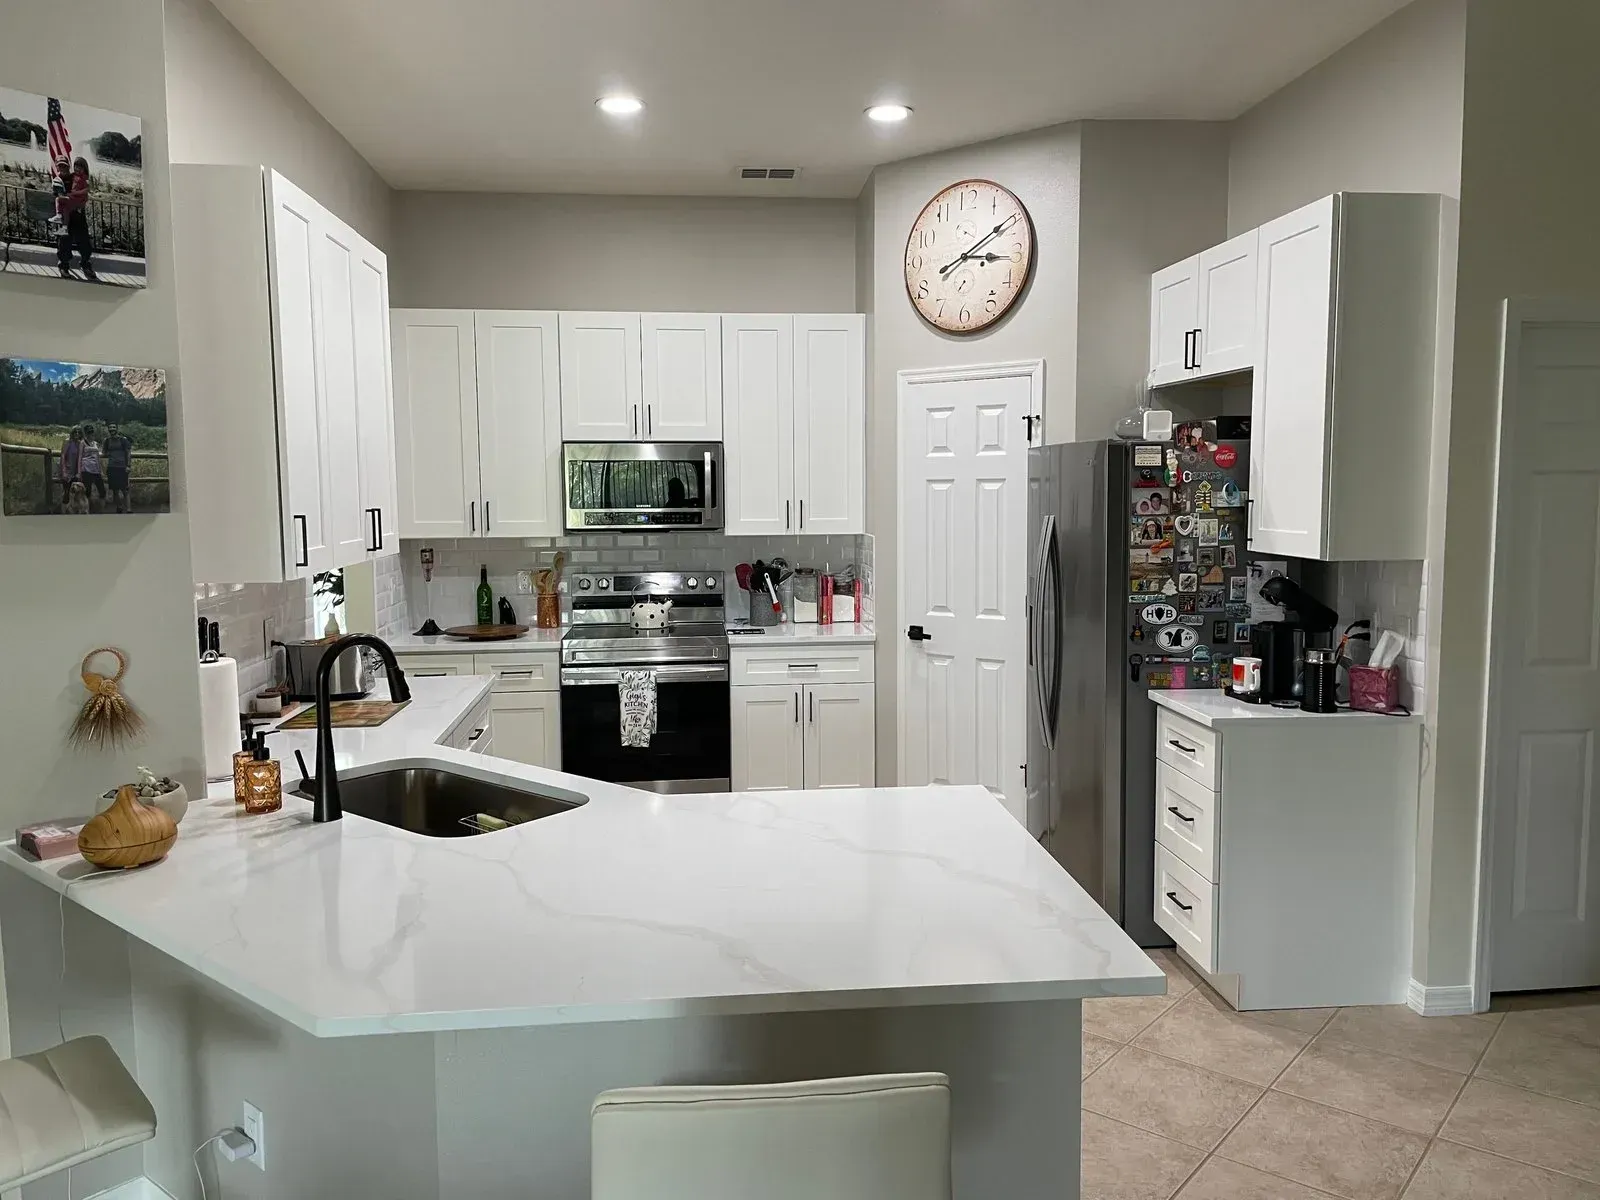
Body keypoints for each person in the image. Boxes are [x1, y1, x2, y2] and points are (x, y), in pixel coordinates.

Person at [54, 156, 97, 282]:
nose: (63, 168)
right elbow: (58, 195)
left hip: (78, 214)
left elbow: (85, 193)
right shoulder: (60, 179)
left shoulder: (79, 179)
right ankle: (63, 265)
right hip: (65, 216)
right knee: (64, 240)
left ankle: (85, 263)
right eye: (60, 166)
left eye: (65, 166)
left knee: (84, 240)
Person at [103, 423, 133, 513]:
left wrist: (128, 466)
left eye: (113, 427)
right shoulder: (107, 441)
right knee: (115, 489)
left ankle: (129, 509)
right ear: (108, 429)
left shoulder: (123, 440)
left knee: (125, 489)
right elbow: (104, 451)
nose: (112, 429)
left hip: (122, 467)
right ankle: (119, 507)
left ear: (117, 429)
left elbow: (128, 453)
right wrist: (108, 453)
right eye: (110, 427)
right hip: (112, 467)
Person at [78, 425, 105, 511]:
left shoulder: (96, 443)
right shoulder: (82, 443)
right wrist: (79, 471)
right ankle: (87, 510)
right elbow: (80, 457)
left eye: (92, 432)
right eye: (89, 432)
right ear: (86, 433)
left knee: (102, 491)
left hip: (96, 469)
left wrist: (101, 470)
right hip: (86, 469)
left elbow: (98, 457)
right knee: (87, 491)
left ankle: (102, 510)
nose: (90, 434)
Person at [58, 426, 83, 512]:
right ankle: (63, 511)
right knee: (66, 492)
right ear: (72, 433)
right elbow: (63, 456)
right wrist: (64, 471)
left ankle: (73, 511)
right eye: (75, 432)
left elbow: (79, 458)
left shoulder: (80, 443)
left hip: (75, 471)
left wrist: (79, 472)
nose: (77, 434)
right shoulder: (67, 442)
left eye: (78, 432)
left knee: (76, 493)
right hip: (67, 470)